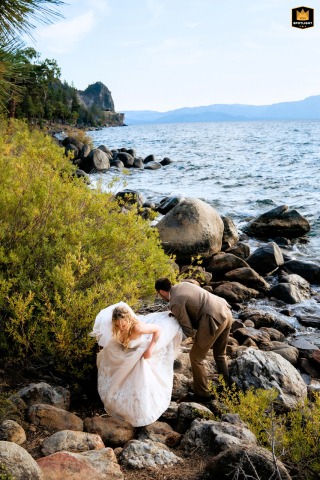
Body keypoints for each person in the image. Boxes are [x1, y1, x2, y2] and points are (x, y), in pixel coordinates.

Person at [90, 302, 182, 427]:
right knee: (109, 353)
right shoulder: (115, 326)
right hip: (126, 348)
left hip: (140, 348)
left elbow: (158, 330)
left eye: (123, 324)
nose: (121, 327)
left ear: (129, 320)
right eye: (118, 325)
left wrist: (149, 349)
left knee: (141, 369)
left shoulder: (138, 328)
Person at [155, 277, 233, 404]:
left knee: (196, 357)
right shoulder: (183, 285)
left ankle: (202, 395)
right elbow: (193, 304)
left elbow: (188, 330)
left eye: (159, 294)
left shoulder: (175, 302)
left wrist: (172, 340)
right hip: (225, 311)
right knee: (220, 354)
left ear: (162, 292)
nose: (160, 297)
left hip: (212, 318)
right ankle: (228, 389)